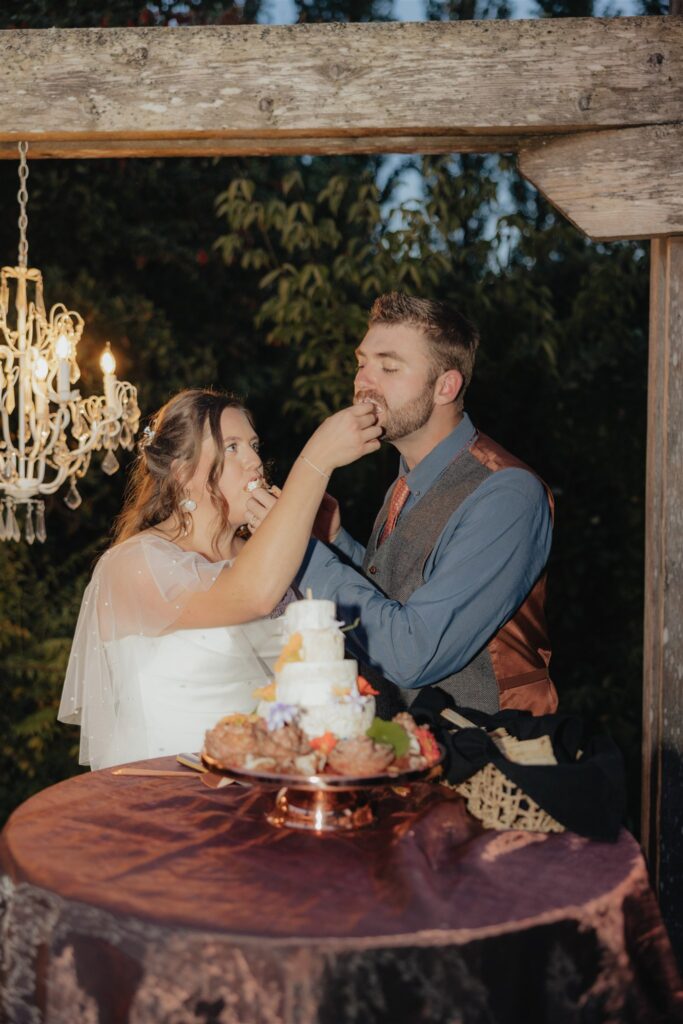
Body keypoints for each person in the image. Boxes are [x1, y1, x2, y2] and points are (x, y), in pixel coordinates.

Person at [247, 293, 558, 717]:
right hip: (403, 743)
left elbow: (413, 654)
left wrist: (299, 547)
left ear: (446, 386)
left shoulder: (507, 493)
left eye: (389, 367)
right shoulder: (406, 482)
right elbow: (398, 600)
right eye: (362, 364)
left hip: (490, 745)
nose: (364, 382)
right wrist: (335, 541)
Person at [58, 388, 381, 769]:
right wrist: (315, 462)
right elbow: (252, 596)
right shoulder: (134, 564)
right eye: (232, 448)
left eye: (253, 446)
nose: (255, 462)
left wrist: (308, 540)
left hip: (274, 781)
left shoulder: (268, 559)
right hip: (173, 787)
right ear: (183, 473)